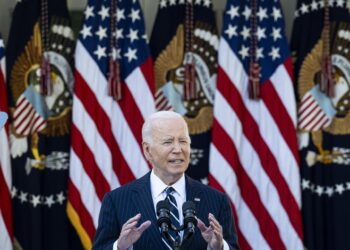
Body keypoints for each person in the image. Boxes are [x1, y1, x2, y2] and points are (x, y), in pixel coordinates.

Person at [92, 111, 240, 250]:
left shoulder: (217, 200)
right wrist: (119, 247)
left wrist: (219, 247)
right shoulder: (117, 201)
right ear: (147, 150)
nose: (178, 149)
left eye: (183, 141)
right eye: (168, 142)